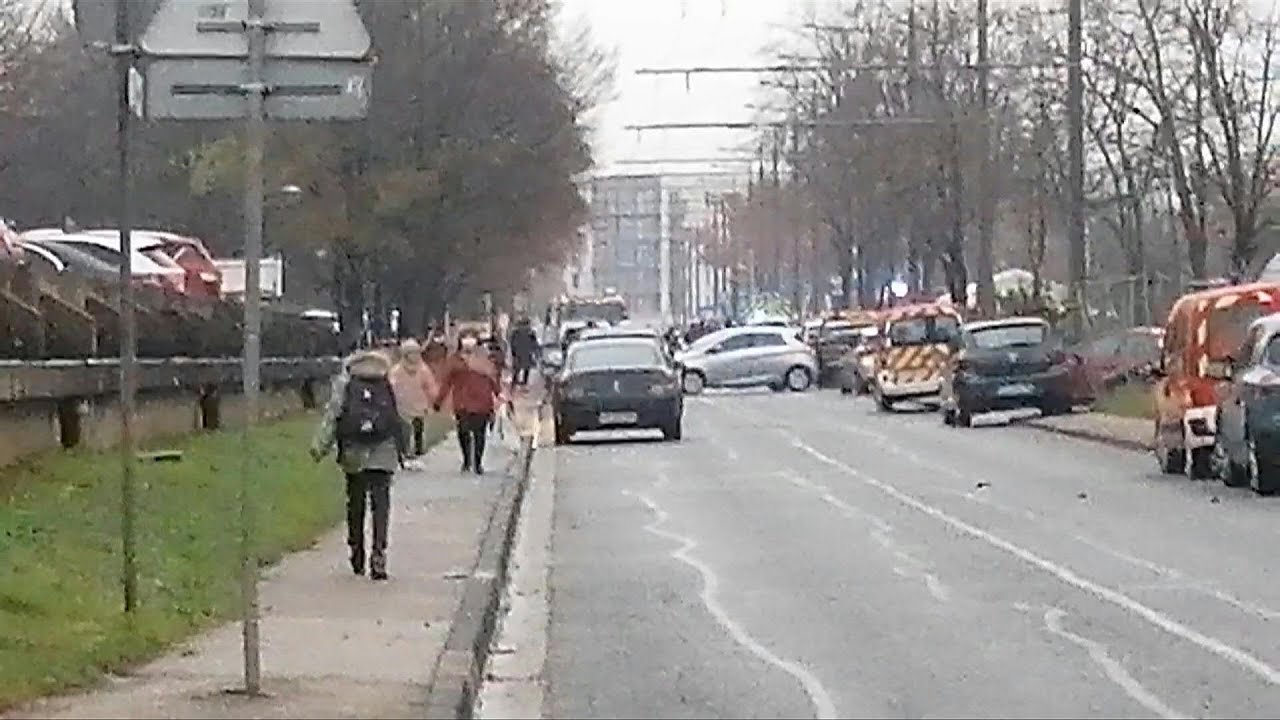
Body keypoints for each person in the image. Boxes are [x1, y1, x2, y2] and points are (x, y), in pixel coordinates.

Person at [311, 349, 408, 581]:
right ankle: (379, 555)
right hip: (384, 452)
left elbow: (333, 415)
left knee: (356, 504)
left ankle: (356, 552)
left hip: (354, 452)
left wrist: (319, 447)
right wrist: (404, 448)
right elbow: (400, 417)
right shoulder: (388, 382)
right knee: (380, 506)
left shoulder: (346, 384)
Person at [434, 336, 503, 474]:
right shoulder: (481, 362)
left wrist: (438, 401)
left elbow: (493, 382)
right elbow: (447, 383)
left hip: (471, 403)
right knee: (474, 434)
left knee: (470, 433)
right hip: (471, 403)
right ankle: (473, 462)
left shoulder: (459, 362)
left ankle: (472, 462)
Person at [389, 338, 438, 457]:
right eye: (411, 353)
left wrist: (434, 400)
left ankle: (418, 448)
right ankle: (403, 450)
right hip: (402, 405)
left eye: (416, 353)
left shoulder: (423, 370)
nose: (415, 356)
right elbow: (391, 386)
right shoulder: (396, 371)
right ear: (405, 355)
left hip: (419, 404)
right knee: (403, 429)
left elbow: (430, 386)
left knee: (418, 427)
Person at [508, 316, 539, 387]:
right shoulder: (531, 332)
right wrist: (534, 351)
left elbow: (512, 342)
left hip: (518, 353)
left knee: (517, 369)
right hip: (526, 353)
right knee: (526, 368)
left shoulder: (516, 331)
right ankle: (524, 382)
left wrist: (513, 352)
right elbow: (534, 343)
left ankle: (515, 382)